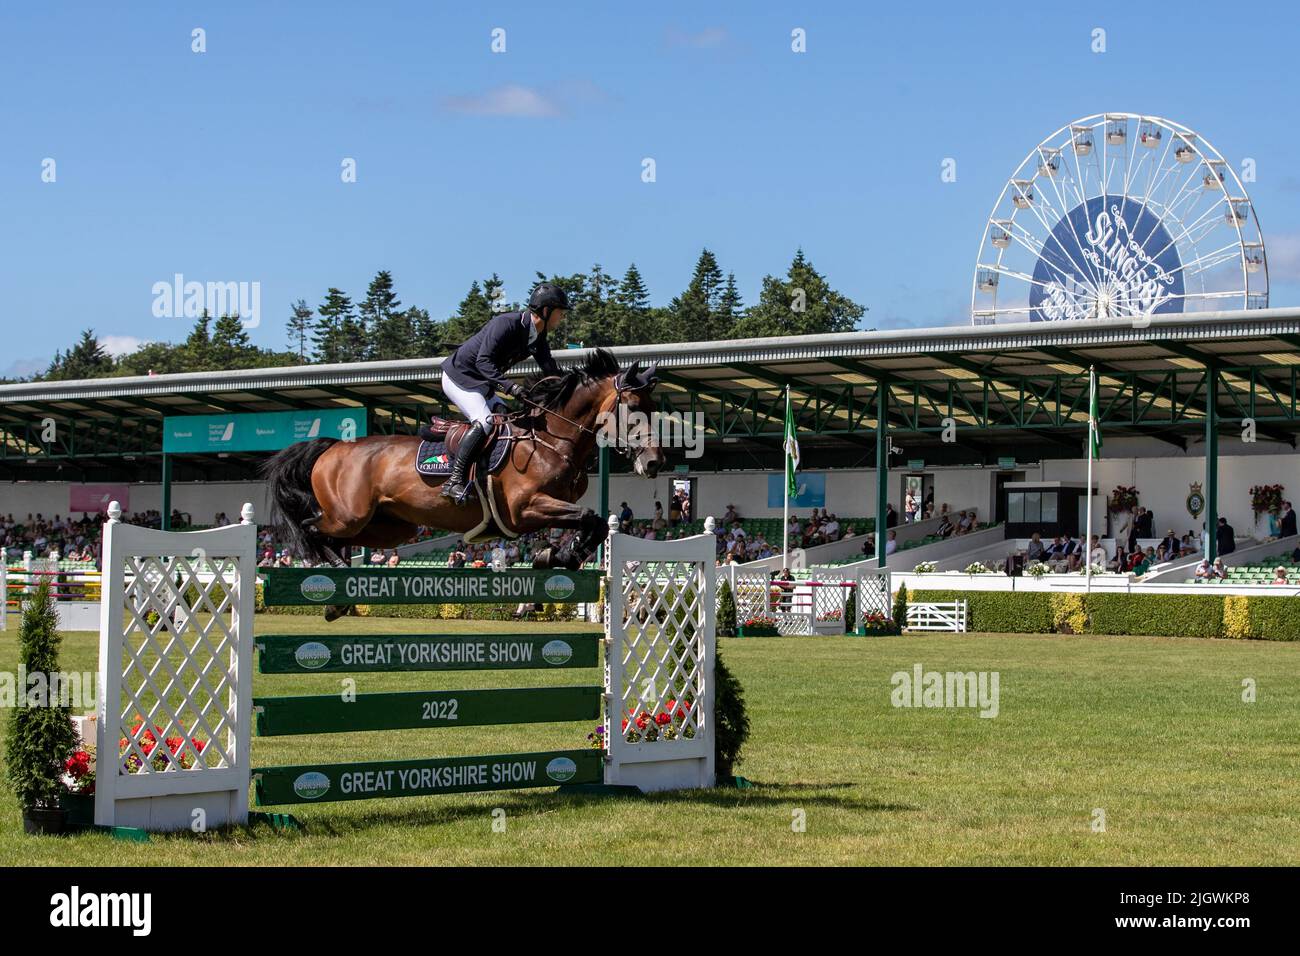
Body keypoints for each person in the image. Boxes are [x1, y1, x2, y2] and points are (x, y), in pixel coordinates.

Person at [437, 283, 569, 503]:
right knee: (485, 421)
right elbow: (483, 361)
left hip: (481, 382)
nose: (562, 317)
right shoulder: (506, 324)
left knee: (509, 422)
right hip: (459, 377)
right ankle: (454, 481)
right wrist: (510, 387)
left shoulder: (537, 335)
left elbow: (550, 368)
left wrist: (571, 385)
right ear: (546, 311)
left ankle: (488, 476)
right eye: (560, 313)